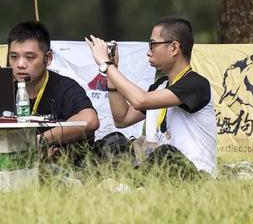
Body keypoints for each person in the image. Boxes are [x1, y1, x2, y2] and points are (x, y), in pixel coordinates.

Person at [86, 16, 217, 176]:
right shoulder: (160, 86)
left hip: (193, 173)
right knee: (113, 141)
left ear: (174, 48)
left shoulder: (196, 84)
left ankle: (126, 183)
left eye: (152, 45)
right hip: (156, 169)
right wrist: (112, 72)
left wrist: (105, 65)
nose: (148, 52)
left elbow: (140, 101)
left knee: (166, 154)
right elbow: (122, 119)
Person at [7, 21, 100, 158]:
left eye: (30, 57)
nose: (20, 64)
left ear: (48, 58)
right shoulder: (2, 90)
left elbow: (90, 119)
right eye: (14, 57)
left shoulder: (64, 87)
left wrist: (40, 141)